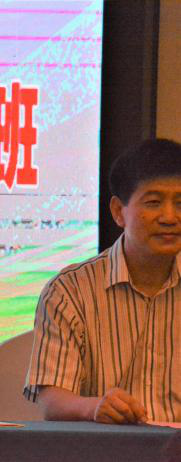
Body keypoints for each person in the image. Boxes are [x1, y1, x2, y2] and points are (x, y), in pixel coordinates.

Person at [24, 138, 181, 424]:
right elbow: (52, 400)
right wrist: (94, 407)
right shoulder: (70, 290)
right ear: (118, 211)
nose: (170, 217)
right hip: (104, 444)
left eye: (180, 203)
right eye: (154, 202)